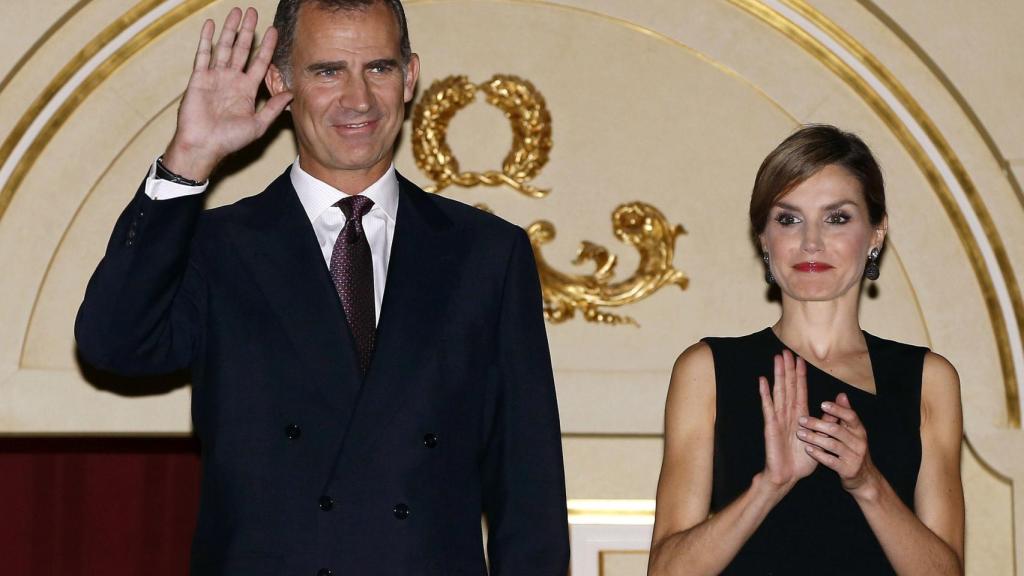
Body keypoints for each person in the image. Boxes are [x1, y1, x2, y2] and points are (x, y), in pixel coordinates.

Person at [74, 1, 569, 574]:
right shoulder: (218, 248)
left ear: (410, 76)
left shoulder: (487, 253)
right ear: (281, 82)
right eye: (328, 71)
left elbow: (528, 489)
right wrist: (189, 159)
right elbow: (113, 343)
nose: (358, 100)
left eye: (378, 68)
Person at [647, 125, 964, 575]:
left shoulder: (928, 379)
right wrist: (770, 486)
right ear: (763, 238)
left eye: (837, 218)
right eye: (789, 219)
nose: (811, 242)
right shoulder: (707, 370)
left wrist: (868, 483)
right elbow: (665, 571)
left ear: (876, 233)